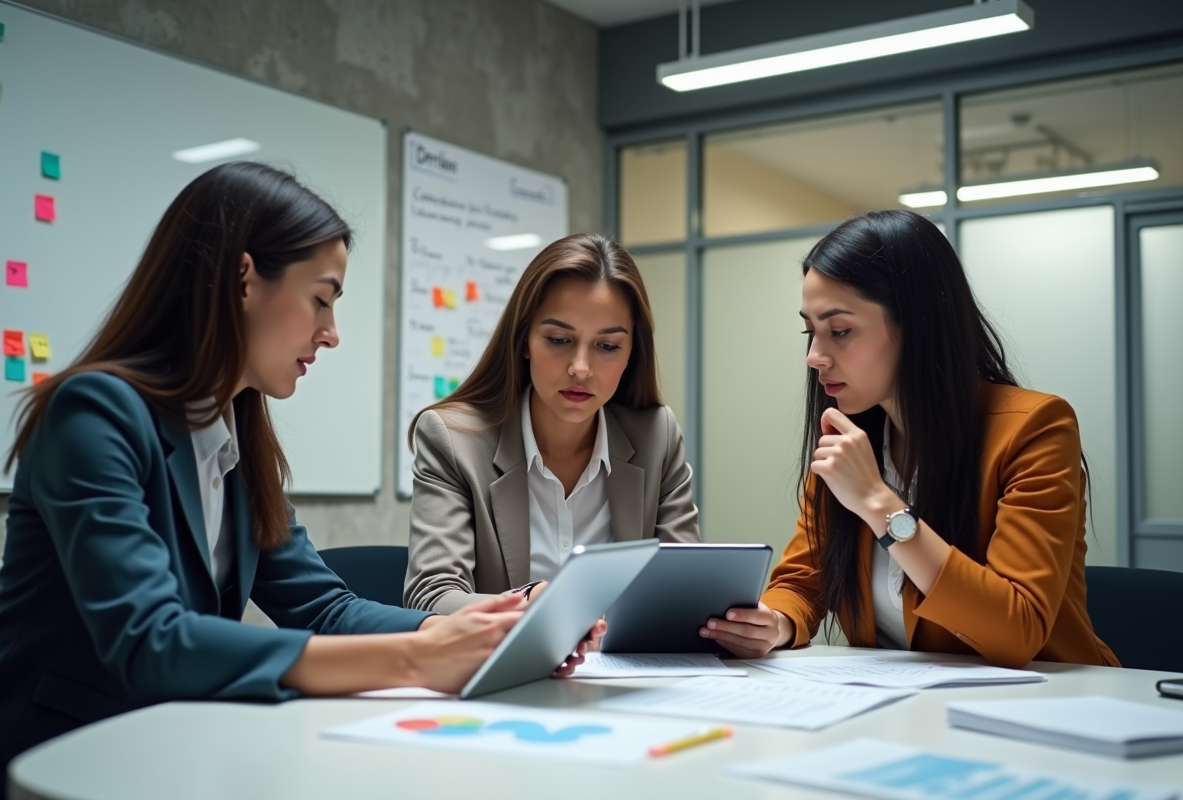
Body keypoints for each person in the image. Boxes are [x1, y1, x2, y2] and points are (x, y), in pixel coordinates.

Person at [0, 162, 537, 783]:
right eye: (321, 300)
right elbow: (152, 639)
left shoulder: (232, 435)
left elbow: (323, 608)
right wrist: (415, 658)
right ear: (243, 279)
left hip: (170, 753)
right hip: (62, 766)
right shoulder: (94, 415)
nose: (331, 334)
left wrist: (482, 621)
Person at [701, 209, 1118, 669]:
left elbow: (1017, 630)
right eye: (811, 332)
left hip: (1047, 707)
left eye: (839, 331)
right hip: (901, 709)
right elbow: (802, 581)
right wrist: (776, 622)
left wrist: (880, 504)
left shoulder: (1035, 428)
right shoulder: (850, 436)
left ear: (917, 325)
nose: (815, 356)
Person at [404, 233, 699, 614]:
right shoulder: (453, 439)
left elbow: (686, 586)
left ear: (631, 354)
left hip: (626, 672)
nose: (580, 368)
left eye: (607, 346)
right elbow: (433, 595)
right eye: (559, 339)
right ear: (525, 339)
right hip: (509, 670)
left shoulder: (656, 436)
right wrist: (533, 605)